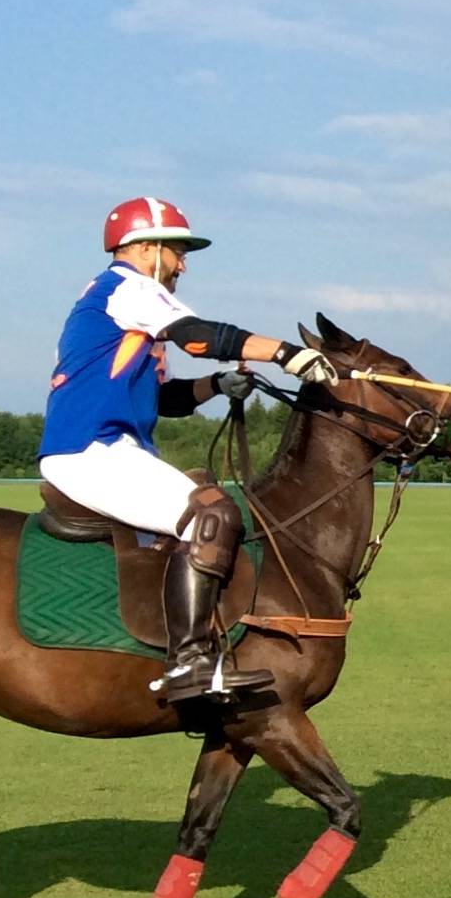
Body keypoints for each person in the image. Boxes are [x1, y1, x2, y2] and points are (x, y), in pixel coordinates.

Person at [38, 196, 342, 704]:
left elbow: (167, 398)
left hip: (111, 449)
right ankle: (189, 664)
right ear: (145, 248)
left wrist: (220, 384)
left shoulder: (124, 310)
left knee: (206, 504)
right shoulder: (129, 289)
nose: (182, 265)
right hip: (91, 450)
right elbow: (200, 337)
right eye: (178, 252)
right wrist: (287, 355)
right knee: (215, 514)